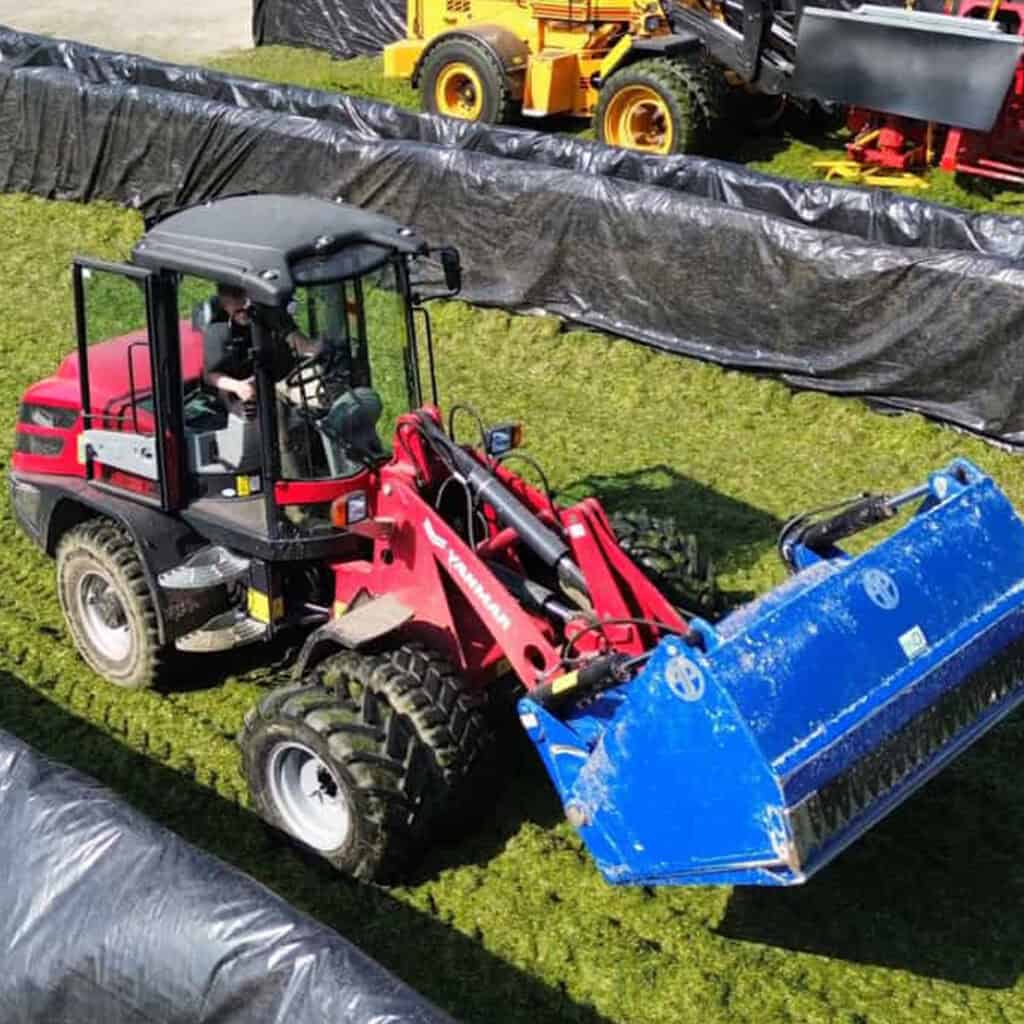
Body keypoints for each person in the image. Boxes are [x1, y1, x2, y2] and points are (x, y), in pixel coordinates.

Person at [202, 283, 323, 483]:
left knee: (322, 401)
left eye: (248, 306)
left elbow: (301, 343)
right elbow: (211, 376)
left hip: (283, 377)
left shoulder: (270, 316)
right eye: (238, 309)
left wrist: (316, 348)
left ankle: (324, 462)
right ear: (225, 307)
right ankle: (293, 492)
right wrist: (238, 387)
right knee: (279, 428)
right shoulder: (219, 333)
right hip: (246, 389)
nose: (245, 313)